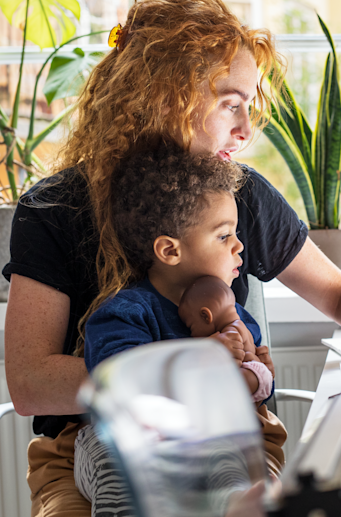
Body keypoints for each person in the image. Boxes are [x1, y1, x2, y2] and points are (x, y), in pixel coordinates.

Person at [3, 0, 341, 517]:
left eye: (249, 105)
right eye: (230, 104)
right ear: (165, 95)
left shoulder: (241, 194)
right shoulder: (54, 208)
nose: (247, 128)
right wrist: (187, 376)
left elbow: (340, 294)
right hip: (85, 447)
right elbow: (30, 384)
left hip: (231, 436)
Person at [73, 145, 280, 517]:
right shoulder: (125, 313)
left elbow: (257, 387)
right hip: (122, 442)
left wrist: (254, 373)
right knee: (117, 470)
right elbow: (121, 390)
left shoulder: (232, 314)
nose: (239, 246)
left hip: (204, 438)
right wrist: (206, 362)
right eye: (223, 236)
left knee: (231, 472)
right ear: (170, 250)